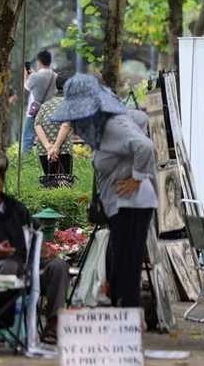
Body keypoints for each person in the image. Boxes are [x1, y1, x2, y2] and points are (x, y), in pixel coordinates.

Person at [52, 74, 157, 308]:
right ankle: (120, 308)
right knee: (117, 260)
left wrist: (136, 179)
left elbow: (145, 146)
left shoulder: (114, 124)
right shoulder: (117, 121)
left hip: (132, 203)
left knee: (126, 263)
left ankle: (127, 315)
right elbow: (140, 119)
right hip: (121, 204)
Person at [0, 148, 70, 344]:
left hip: (29, 266)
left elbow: (35, 232)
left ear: (2, 179)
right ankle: (6, 324)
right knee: (8, 266)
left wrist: (44, 249)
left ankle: (53, 324)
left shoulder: (16, 208)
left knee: (58, 267)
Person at [34, 70, 74, 180]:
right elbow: (66, 124)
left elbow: (37, 125)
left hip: (44, 151)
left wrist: (48, 147)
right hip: (63, 149)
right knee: (64, 182)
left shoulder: (45, 105)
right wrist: (55, 148)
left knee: (49, 182)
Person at [22, 50, 55, 153]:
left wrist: (26, 76)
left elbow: (25, 90)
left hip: (34, 112)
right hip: (49, 111)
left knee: (28, 138)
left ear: (39, 61)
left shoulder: (34, 77)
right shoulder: (55, 76)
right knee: (47, 137)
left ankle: (27, 162)